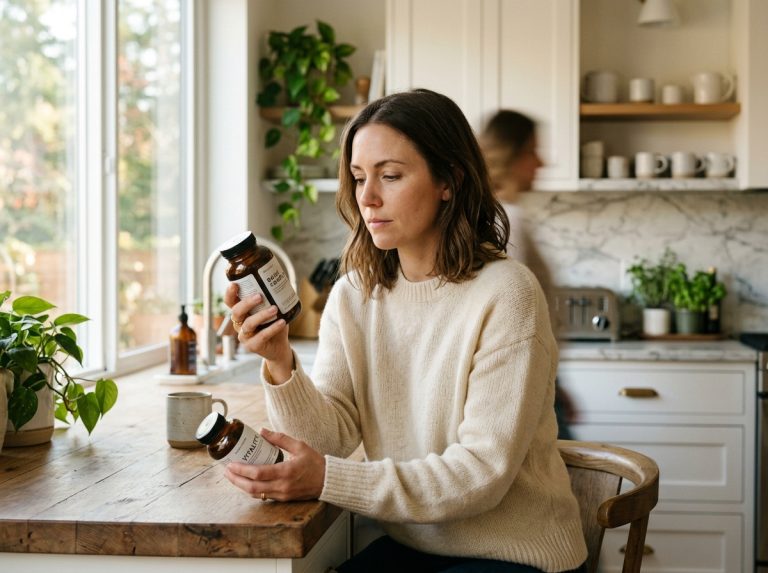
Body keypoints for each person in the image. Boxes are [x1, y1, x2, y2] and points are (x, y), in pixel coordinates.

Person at [224, 89, 587, 573]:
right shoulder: (355, 294)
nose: (368, 197)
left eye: (390, 176)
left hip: (516, 555)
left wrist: (328, 478)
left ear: (449, 181)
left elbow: (481, 473)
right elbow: (328, 439)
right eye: (358, 178)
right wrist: (279, 360)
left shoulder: (507, 292)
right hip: (417, 549)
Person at [480, 110, 574, 440]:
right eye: (533, 151)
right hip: (524, 385)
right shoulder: (508, 220)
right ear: (512, 154)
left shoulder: (493, 214)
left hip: (536, 380)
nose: (541, 163)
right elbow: (513, 317)